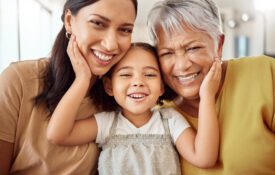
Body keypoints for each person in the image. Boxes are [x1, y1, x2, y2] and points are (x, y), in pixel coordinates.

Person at [0, 0, 137, 174]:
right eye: (98, 23)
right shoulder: (18, 80)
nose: (111, 44)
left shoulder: (123, 99)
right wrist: (82, 81)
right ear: (69, 21)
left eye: (125, 30)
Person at [46, 42, 221, 174]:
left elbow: (204, 158)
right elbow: (58, 134)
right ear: (109, 86)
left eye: (150, 74)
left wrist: (207, 96)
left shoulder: (169, 120)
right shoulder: (107, 123)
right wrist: (82, 79)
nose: (138, 82)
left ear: (161, 86)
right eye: (126, 74)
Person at [147, 0, 275, 174]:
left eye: (192, 48)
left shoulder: (264, 73)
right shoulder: (156, 116)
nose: (182, 65)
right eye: (167, 53)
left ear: (219, 45)